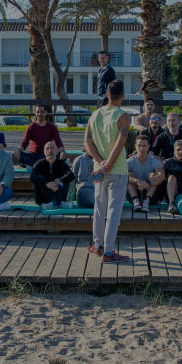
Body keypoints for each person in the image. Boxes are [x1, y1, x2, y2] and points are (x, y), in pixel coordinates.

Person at [85, 79, 132, 263]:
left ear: (106, 95)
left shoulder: (94, 115)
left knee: (99, 208)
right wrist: (109, 164)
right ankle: (109, 251)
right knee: (113, 211)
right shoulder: (124, 117)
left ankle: (97, 246)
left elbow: (87, 143)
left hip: (99, 169)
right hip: (117, 169)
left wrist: (100, 162)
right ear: (123, 96)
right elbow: (120, 144)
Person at [30, 141, 74, 208]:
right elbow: (32, 177)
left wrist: (58, 181)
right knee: (39, 178)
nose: (50, 151)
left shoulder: (61, 163)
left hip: (57, 191)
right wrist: (47, 184)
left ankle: (55, 203)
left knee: (65, 180)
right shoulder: (39, 163)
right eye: (47, 148)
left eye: (52, 148)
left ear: (56, 151)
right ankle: (56, 203)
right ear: (44, 152)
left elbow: (70, 175)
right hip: (43, 197)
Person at [127, 135, 165, 211]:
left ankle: (147, 201)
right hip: (134, 193)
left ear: (148, 147)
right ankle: (136, 201)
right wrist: (137, 181)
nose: (141, 148)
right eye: (139, 145)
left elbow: (162, 176)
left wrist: (149, 182)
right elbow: (122, 176)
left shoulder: (154, 161)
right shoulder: (129, 161)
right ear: (135, 146)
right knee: (129, 176)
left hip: (151, 194)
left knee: (153, 175)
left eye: (144, 146)